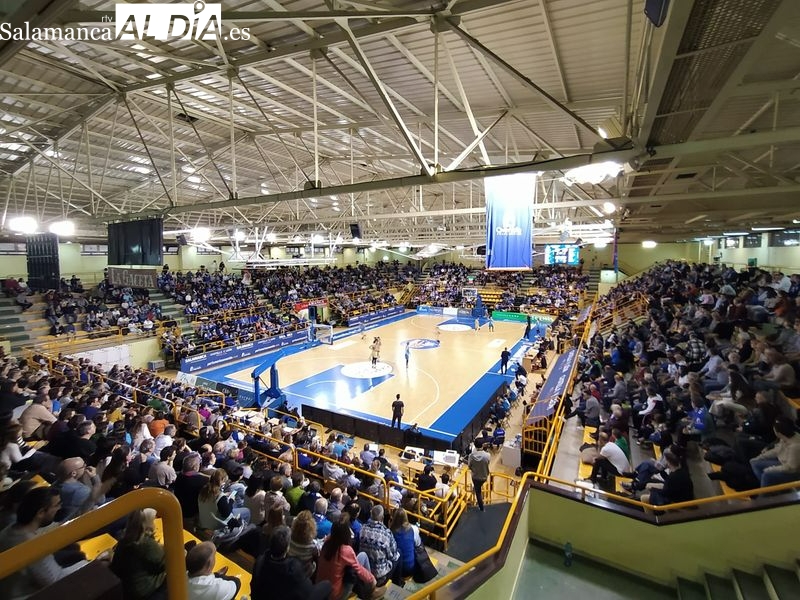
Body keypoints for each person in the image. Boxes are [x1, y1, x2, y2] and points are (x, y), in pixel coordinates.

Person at [0, 486, 91, 597]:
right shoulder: (32, 545)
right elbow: (56, 580)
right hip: (26, 594)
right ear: (41, 512)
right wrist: (91, 563)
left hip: (12, 588)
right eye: (57, 505)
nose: (59, 508)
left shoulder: (10, 529)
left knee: (75, 551)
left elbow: (61, 527)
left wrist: (91, 499)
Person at [251, 525, 331, 600]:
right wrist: (308, 575)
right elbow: (307, 592)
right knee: (327, 585)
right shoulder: (293, 568)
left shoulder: (260, 560)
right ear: (287, 548)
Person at [317, 515, 382, 600]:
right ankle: (371, 591)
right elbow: (359, 569)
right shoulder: (345, 550)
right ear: (346, 533)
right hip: (335, 596)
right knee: (361, 559)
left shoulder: (326, 543)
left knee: (355, 564)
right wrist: (372, 580)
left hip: (320, 590)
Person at [110, 508, 167, 600]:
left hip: (127, 588)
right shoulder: (145, 543)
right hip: (144, 590)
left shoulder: (123, 538)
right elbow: (164, 564)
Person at [749, 416, 800, 487]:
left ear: (778, 432)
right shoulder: (784, 437)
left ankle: (765, 494)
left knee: (766, 475)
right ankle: (769, 487)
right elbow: (776, 451)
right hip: (783, 463)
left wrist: (771, 469)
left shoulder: (795, 446)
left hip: (793, 472)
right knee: (754, 463)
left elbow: (791, 468)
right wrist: (759, 457)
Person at [359, 504, 401, 588]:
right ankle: (398, 583)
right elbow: (392, 556)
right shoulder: (386, 533)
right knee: (399, 553)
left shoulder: (362, 528)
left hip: (365, 572)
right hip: (379, 576)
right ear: (382, 518)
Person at [389, 508, 420, 579]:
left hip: (398, 569)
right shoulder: (413, 529)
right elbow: (417, 544)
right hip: (411, 567)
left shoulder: (390, 532)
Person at [467, 442, 491, 511]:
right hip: (484, 476)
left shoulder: (471, 456)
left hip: (475, 477)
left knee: (478, 493)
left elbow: (469, 466)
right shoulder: (487, 455)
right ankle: (476, 488)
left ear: (475, 446)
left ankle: (481, 508)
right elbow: (488, 463)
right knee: (478, 486)